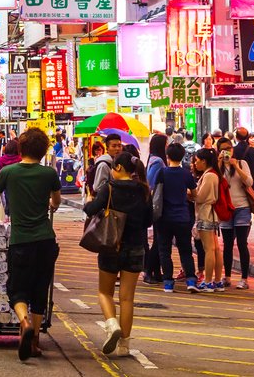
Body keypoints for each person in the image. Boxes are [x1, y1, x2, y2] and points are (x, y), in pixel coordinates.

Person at [0, 128, 61, 361]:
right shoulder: (49, 174)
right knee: (39, 290)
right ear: (44, 151)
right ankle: (34, 343)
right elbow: (56, 201)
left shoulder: (8, 172)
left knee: (17, 289)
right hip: (45, 239)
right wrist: (49, 205)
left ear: (21, 149)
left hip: (21, 241)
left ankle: (24, 323)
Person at [83, 151, 152, 356]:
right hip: (136, 247)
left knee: (105, 292)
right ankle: (124, 346)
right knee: (127, 298)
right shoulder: (143, 190)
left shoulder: (109, 189)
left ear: (119, 168)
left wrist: (89, 198)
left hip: (111, 246)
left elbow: (91, 209)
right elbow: (149, 220)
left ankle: (112, 325)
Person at [155, 143, 199, 293]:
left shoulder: (162, 172)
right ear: (182, 157)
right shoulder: (186, 174)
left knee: (164, 251)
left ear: (167, 157)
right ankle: (191, 280)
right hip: (182, 217)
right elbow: (195, 194)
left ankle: (168, 282)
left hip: (164, 218)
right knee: (185, 250)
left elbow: (156, 193)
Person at [217, 137, 254, 289]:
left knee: (241, 243)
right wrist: (219, 164)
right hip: (226, 208)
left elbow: (249, 182)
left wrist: (236, 167)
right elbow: (215, 183)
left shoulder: (241, 163)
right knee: (227, 245)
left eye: (229, 148)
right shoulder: (217, 167)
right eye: (223, 149)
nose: (227, 151)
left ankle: (244, 279)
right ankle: (227, 277)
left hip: (242, 208)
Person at [192, 148, 224, 292]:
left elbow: (200, 197)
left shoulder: (209, 176)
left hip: (206, 214)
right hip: (211, 214)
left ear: (204, 161)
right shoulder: (213, 174)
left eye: (197, 161)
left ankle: (208, 281)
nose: (195, 164)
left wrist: (190, 193)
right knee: (215, 248)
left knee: (209, 249)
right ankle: (216, 280)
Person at [142, 133, 169, 286]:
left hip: (157, 204)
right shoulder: (158, 161)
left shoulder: (153, 159)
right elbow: (151, 184)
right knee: (159, 241)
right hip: (158, 205)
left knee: (160, 240)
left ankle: (156, 272)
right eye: (165, 144)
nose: (167, 147)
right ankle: (148, 271)